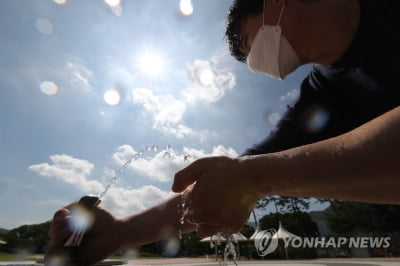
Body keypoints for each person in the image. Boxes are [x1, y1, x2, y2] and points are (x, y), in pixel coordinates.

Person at [45, 0, 400, 265]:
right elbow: (226, 181)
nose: (260, 63)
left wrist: (258, 176)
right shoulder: (318, 100)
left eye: (250, 41)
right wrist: (120, 234)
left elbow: (251, 174)